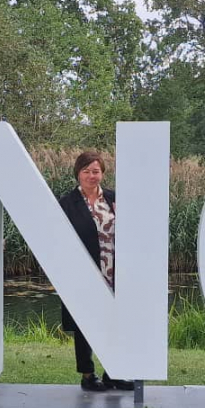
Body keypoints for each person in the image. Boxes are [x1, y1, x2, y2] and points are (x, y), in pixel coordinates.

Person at [57, 150, 134, 392]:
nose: (92, 176)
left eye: (96, 171)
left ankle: (114, 373)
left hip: (114, 269)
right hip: (85, 270)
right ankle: (87, 375)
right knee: (85, 323)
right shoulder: (67, 203)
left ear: (103, 173)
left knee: (116, 322)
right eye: (87, 171)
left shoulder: (114, 199)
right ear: (78, 173)